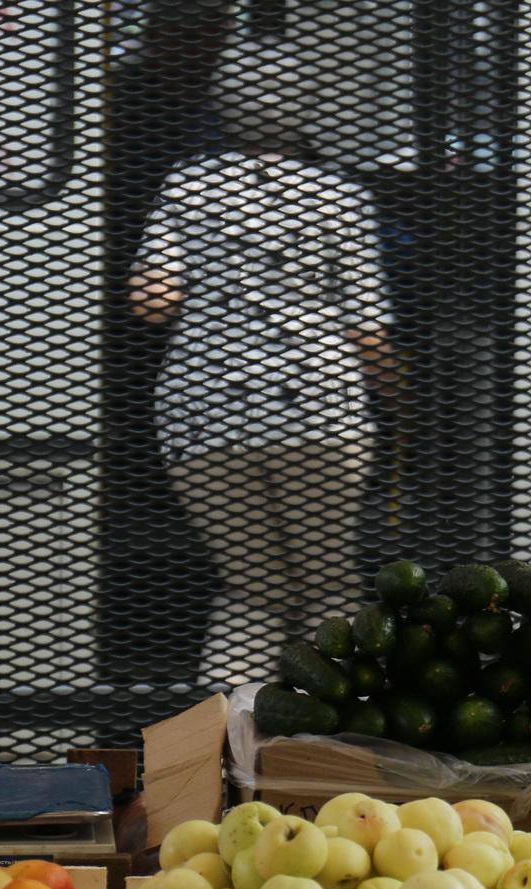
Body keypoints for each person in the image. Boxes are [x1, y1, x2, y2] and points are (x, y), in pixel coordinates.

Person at [129, 34, 398, 683]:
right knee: (327, 579)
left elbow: (151, 302)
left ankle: (219, 754)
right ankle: (334, 747)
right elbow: (367, 333)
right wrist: (398, 399)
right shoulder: (339, 197)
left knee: (251, 589)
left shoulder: (188, 186)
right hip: (318, 409)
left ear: (224, 106)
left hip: (204, 411)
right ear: (305, 106)